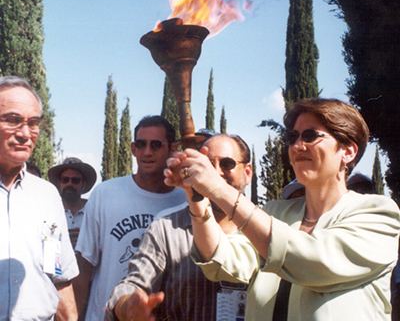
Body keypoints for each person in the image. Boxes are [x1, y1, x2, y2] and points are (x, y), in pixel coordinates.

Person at [165, 98, 400, 321]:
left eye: (310, 136)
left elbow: (311, 260)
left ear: (348, 151)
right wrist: (196, 195)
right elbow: (222, 259)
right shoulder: (276, 212)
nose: (298, 146)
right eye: (293, 137)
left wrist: (217, 187)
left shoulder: (378, 213)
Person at [104, 133, 252, 321]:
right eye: (207, 164)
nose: (216, 173)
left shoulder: (263, 231)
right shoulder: (166, 230)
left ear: (247, 173)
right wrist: (126, 306)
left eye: (227, 164)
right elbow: (134, 285)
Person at [74, 115, 187, 321]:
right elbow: (84, 267)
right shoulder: (105, 194)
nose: (147, 152)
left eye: (156, 145)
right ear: (133, 149)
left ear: (172, 149)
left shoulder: (184, 201)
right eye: (141, 144)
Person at [0, 76, 79, 320]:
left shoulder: (46, 195)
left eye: (33, 123)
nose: (25, 133)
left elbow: (59, 278)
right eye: (13, 120)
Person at [48, 157, 97, 248]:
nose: (69, 184)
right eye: (65, 180)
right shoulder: (49, 211)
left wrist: (85, 241)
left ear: (83, 184)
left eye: (75, 180)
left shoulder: (95, 212)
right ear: (59, 183)